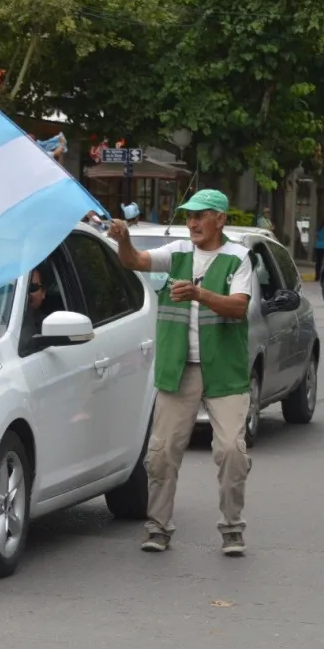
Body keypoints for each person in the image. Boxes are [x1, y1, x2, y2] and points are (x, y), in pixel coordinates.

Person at [107, 189, 254, 556]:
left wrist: (199, 294)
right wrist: (123, 240)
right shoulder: (177, 254)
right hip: (178, 368)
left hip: (224, 371)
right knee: (160, 453)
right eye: (188, 216)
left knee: (232, 452)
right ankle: (157, 527)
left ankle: (232, 529)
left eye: (200, 216)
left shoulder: (238, 257)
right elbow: (134, 261)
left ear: (219, 219)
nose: (192, 223)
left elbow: (238, 307)